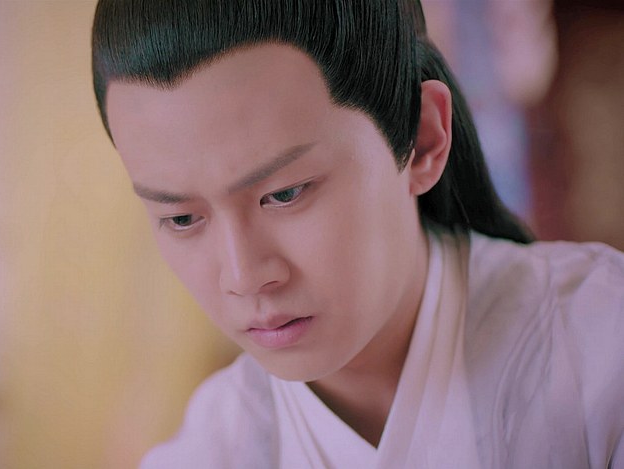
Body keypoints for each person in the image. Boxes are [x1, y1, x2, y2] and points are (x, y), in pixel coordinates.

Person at [91, 0, 624, 467]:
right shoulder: (213, 447)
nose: (243, 276)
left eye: (286, 193)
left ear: (422, 138)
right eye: (182, 219)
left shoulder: (601, 346)